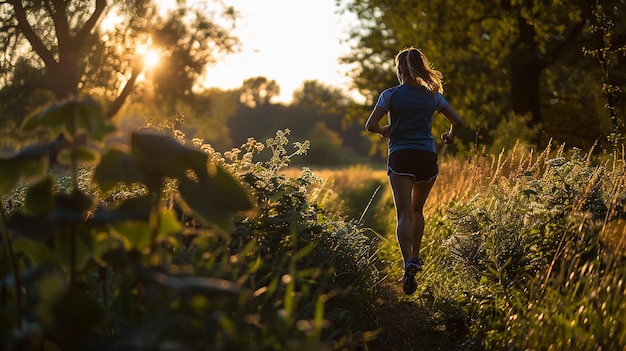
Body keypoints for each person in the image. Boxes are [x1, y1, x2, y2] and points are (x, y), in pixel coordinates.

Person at [365, 47, 463, 295]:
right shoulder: (432, 96)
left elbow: (370, 125)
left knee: (404, 214)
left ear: (400, 70)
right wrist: (449, 137)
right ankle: (416, 257)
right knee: (418, 210)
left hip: (400, 156)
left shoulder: (389, 95)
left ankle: (407, 261)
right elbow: (458, 122)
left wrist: (385, 130)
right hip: (426, 158)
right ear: (420, 68)